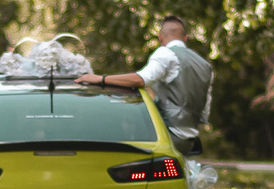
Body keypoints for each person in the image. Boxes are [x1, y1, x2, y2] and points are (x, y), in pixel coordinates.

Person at [79, 15, 212, 141]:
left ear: (160, 38)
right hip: (189, 140)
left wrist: (100, 79)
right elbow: (204, 112)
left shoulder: (166, 53)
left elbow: (141, 79)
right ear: (186, 38)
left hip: (166, 136)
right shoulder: (206, 66)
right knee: (171, 166)